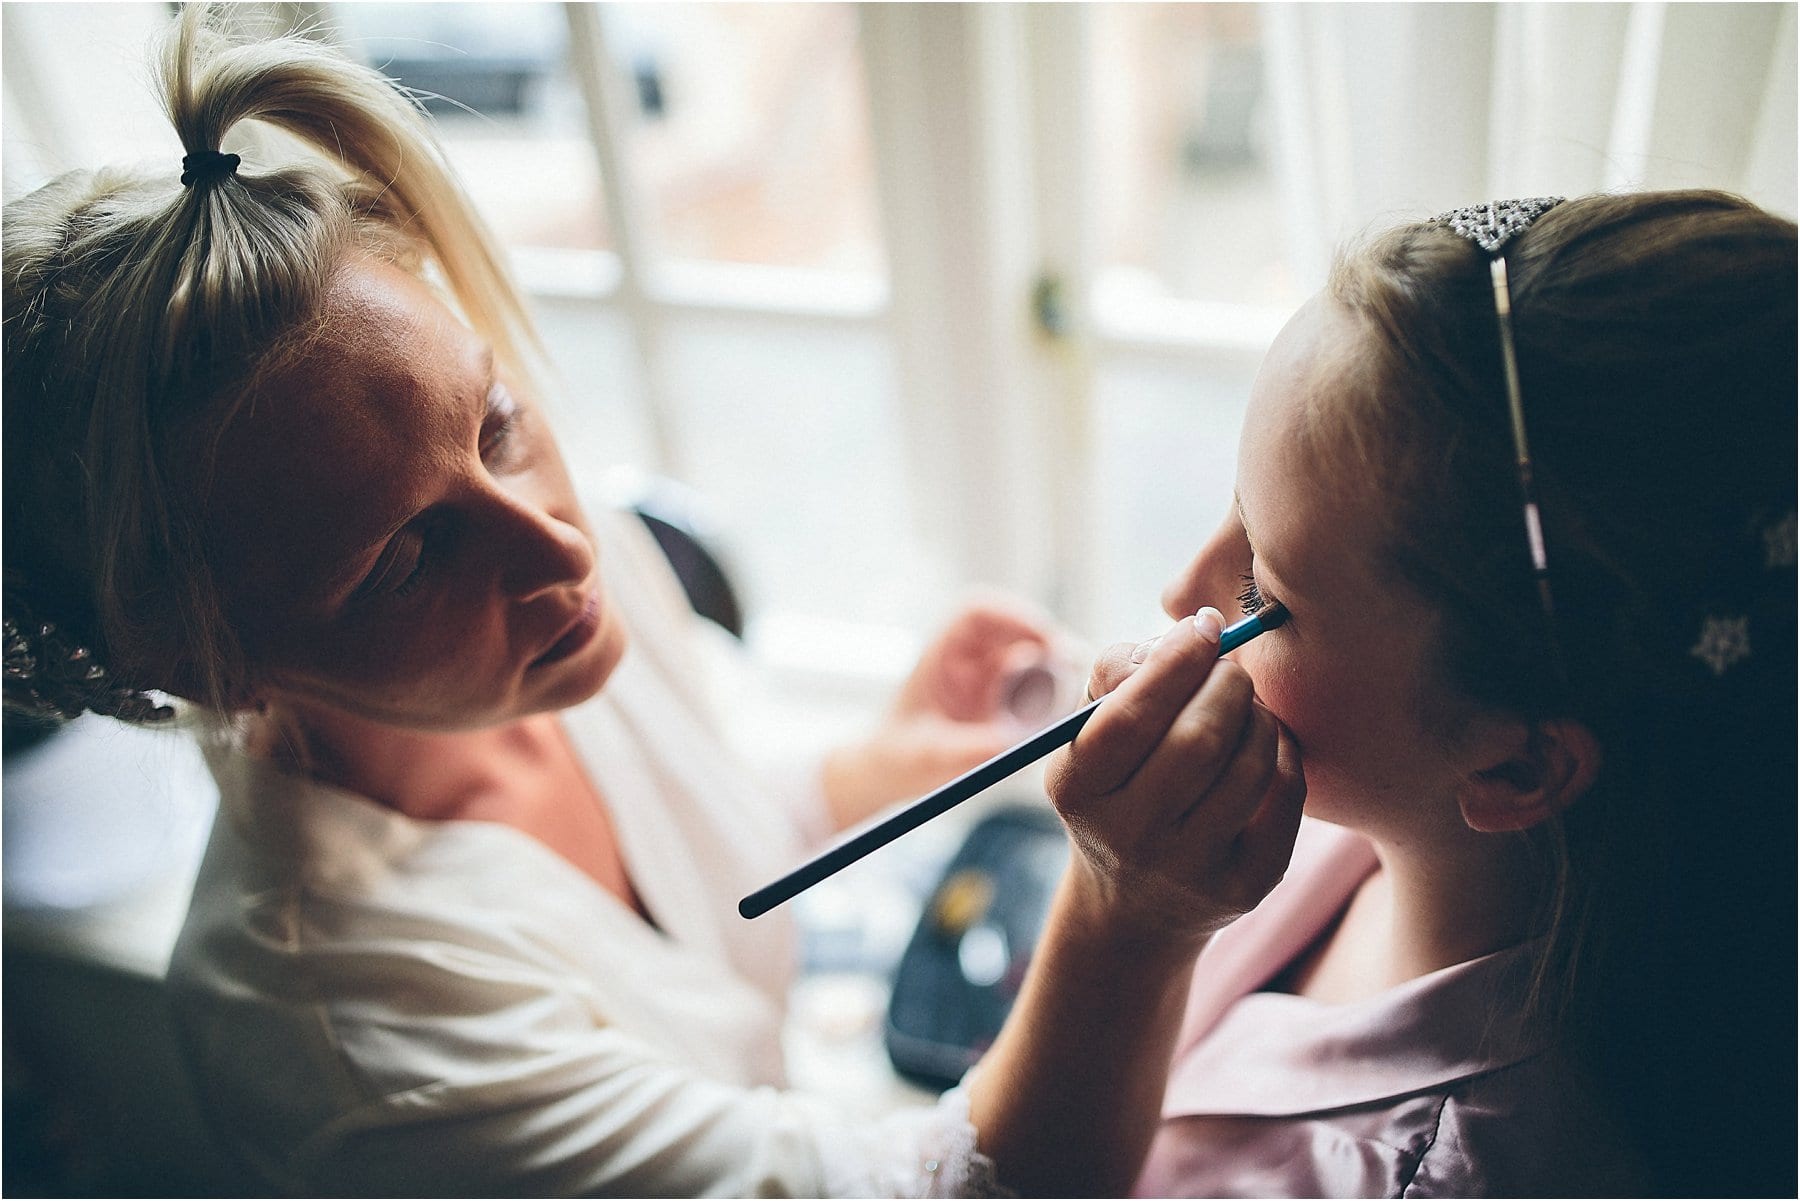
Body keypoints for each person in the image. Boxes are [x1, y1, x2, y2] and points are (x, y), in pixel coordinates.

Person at [2, 9, 1306, 1197]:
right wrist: (1127, 920)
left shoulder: (549, 590)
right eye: (408, 558)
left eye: (496, 419)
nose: (556, 547)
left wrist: (868, 769)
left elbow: (690, 849)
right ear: (215, 662)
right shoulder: (361, 1045)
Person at [1084, 192, 1793, 1196]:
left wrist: (1117, 924)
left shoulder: (1434, 1172)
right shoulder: (1352, 794)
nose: (1182, 591)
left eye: (1261, 591)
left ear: (1515, 764)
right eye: (1237, 509)